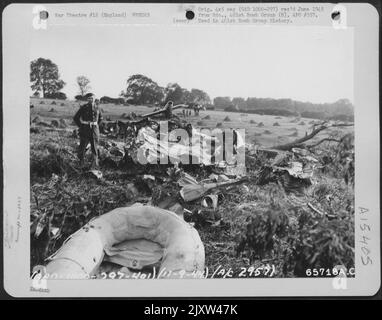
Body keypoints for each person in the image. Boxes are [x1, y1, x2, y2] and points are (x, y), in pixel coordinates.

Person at [73, 94, 103, 168]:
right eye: (89, 98)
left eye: (92, 98)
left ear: (94, 99)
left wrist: (96, 126)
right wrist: (81, 126)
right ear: (87, 99)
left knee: (95, 149)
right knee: (82, 148)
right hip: (85, 131)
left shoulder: (97, 108)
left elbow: (101, 119)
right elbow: (76, 118)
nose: (90, 100)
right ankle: (80, 164)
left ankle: (95, 165)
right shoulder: (83, 107)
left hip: (94, 131)